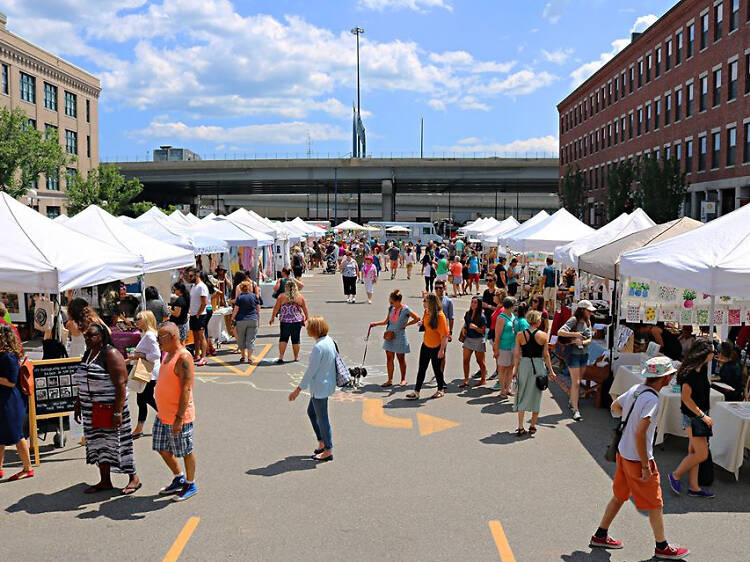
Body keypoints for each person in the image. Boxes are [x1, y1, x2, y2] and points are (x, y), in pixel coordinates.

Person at [589, 356, 689, 560]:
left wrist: (627, 421)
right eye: (670, 375)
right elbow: (641, 433)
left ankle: (600, 534)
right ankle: (662, 546)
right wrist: (645, 466)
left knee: (619, 495)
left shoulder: (636, 390)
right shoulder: (652, 399)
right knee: (655, 503)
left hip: (624, 453)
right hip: (637, 458)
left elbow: (615, 406)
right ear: (665, 378)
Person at [73, 323, 141, 495]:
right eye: (86, 336)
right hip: (91, 409)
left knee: (119, 443)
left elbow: (121, 385)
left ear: (101, 336)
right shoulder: (89, 353)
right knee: (98, 443)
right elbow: (84, 378)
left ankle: (133, 478)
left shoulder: (110, 354)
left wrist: (117, 412)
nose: (87, 339)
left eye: (91, 336)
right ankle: (105, 481)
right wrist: (79, 403)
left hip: (111, 408)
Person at [153, 322, 198, 501]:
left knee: (186, 450)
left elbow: (186, 389)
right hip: (163, 414)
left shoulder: (183, 357)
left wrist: (179, 418)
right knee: (162, 448)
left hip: (178, 415)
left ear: (172, 337)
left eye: (160, 338)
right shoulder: (168, 353)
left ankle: (190, 483)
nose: (158, 342)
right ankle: (179, 478)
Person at [668, 339, 716, 499]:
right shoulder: (689, 373)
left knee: (694, 451)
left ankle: (694, 487)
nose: (714, 355)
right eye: (712, 352)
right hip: (693, 417)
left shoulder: (701, 368)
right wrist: (703, 416)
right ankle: (675, 475)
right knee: (702, 454)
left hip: (698, 415)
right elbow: (686, 399)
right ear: (704, 354)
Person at [288, 317, 336, 462]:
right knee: (311, 412)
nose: (306, 329)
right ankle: (322, 441)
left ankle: (328, 449)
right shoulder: (329, 341)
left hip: (320, 387)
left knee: (323, 418)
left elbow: (310, 371)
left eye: (308, 327)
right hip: (326, 384)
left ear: (315, 329)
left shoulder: (318, 347)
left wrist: (297, 390)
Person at [512, 310, 556, 436]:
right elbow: (546, 355)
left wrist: (515, 370)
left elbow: (516, 355)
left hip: (524, 365)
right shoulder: (543, 336)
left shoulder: (520, 335)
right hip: (538, 365)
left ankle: (520, 427)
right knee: (537, 394)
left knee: (522, 394)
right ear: (537, 321)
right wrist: (551, 371)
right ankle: (532, 426)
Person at [0, 324, 33, 481]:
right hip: (4, 399)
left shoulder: (9, 357)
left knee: (16, 435)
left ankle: (28, 468)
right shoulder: (4, 354)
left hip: (10, 401)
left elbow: (11, 382)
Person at [370, 290, 420, 387]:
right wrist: (375, 324)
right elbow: (386, 321)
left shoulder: (405, 309)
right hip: (390, 335)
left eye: (392, 302)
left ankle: (403, 379)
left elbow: (417, 318)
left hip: (400, 336)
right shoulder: (391, 309)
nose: (391, 304)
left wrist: (406, 324)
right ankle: (390, 380)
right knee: (389, 358)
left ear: (398, 301)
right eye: (390, 302)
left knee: (400, 358)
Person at [406, 293, 449, 400]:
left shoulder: (440, 316)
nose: (423, 302)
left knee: (437, 370)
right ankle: (416, 391)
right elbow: (427, 325)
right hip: (426, 344)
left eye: (425, 300)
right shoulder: (427, 312)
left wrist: (442, 350)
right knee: (421, 369)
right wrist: (422, 324)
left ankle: (440, 389)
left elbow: (444, 335)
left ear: (430, 303)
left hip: (436, 347)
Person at [558, 300, 596, 421]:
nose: (591, 313)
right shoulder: (573, 320)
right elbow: (560, 332)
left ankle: (572, 401)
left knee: (578, 381)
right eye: (589, 311)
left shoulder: (588, 321)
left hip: (584, 354)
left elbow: (589, 340)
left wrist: (582, 341)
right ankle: (575, 409)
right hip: (573, 354)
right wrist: (575, 335)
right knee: (577, 382)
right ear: (582, 310)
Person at [129, 311, 161, 439]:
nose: (136, 321)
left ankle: (168, 417)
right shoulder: (148, 334)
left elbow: (156, 354)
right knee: (141, 400)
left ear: (146, 320)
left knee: (146, 398)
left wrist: (140, 355)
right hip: (148, 371)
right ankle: (139, 428)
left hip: (149, 372)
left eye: (139, 319)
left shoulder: (149, 335)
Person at [270, 279, 309, 363]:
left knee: (283, 338)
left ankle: (281, 357)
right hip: (297, 320)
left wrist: (272, 317)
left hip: (285, 320)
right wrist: (307, 317)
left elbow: (276, 308)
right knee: (296, 339)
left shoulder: (281, 296)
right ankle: (296, 357)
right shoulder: (300, 297)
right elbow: (304, 308)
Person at [460, 297, 488, 388]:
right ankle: (466, 380)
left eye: (475, 303)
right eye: (472, 302)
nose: (473, 304)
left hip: (478, 340)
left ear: (479, 304)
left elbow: (483, 331)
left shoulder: (482, 317)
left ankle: (483, 379)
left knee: (480, 361)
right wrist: (464, 328)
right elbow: (466, 323)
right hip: (468, 339)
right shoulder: (468, 313)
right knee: (465, 360)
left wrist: (475, 328)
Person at [493, 297, 517, 396]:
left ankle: (508, 388)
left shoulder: (512, 316)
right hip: (503, 346)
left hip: (512, 346)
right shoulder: (501, 318)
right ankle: (502, 389)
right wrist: (496, 350)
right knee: (502, 368)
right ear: (511, 306)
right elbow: (497, 336)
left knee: (510, 367)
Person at [231, 281, 260, 363]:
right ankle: (250, 357)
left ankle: (243, 356)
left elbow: (236, 310)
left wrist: (232, 318)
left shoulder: (240, 298)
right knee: (251, 339)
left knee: (241, 339)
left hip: (241, 320)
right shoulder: (254, 296)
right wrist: (258, 318)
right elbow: (258, 309)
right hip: (252, 319)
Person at [185, 267, 209, 366]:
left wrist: (198, 313)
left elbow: (204, 303)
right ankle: (197, 355)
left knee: (201, 336)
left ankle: (203, 357)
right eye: (188, 276)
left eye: (191, 276)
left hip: (200, 315)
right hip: (194, 314)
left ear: (197, 275)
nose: (189, 278)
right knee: (195, 336)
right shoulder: (194, 287)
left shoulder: (201, 287)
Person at [434, 280, 454, 375]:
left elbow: (451, 317)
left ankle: (441, 376)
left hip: (444, 332)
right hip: (433, 331)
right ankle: (437, 373)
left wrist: (450, 332)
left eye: (440, 288)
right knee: (433, 354)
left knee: (442, 354)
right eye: (436, 288)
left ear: (444, 288)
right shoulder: (431, 300)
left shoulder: (448, 301)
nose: (438, 290)